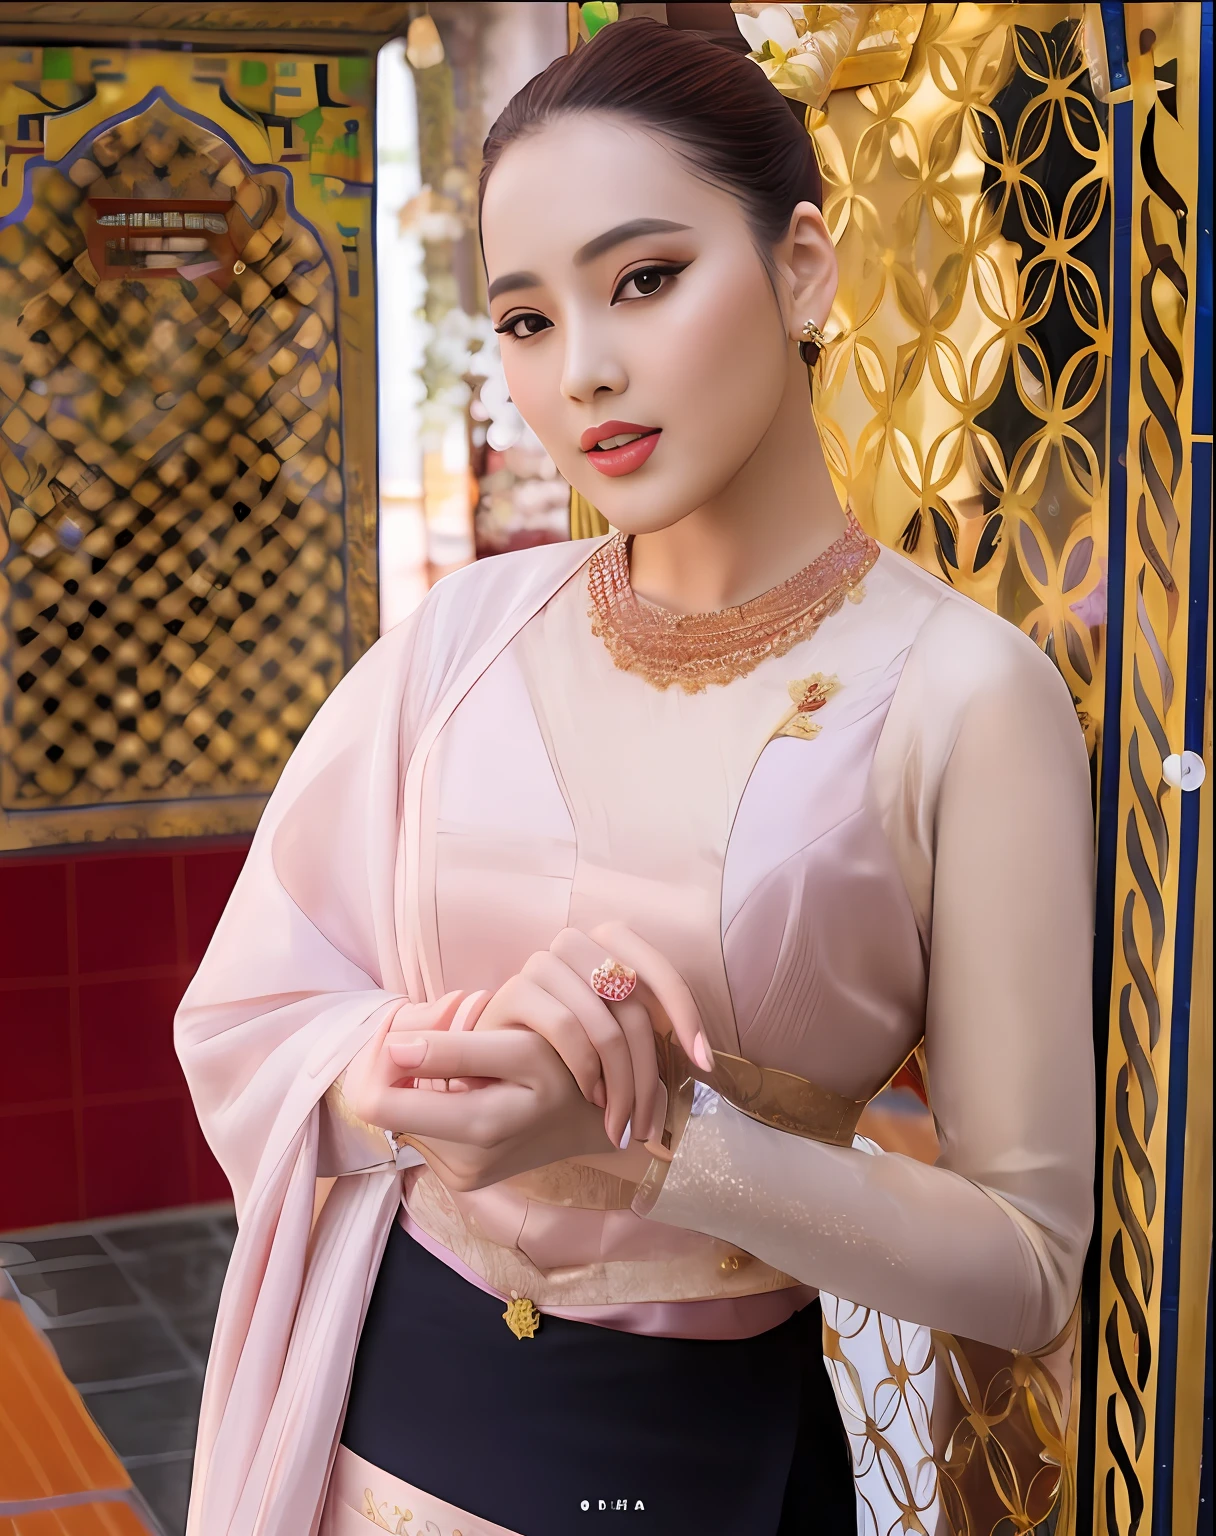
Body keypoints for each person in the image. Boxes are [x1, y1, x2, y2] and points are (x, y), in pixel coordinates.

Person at [176, 19, 1096, 1536]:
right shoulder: (468, 633)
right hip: (366, 1420)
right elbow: (256, 1011)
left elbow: (1025, 1260)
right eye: (525, 319)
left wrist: (661, 1139)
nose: (583, 369)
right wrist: (420, 1074)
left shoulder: (962, 694)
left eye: (646, 279)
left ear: (803, 266)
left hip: (687, 1461)